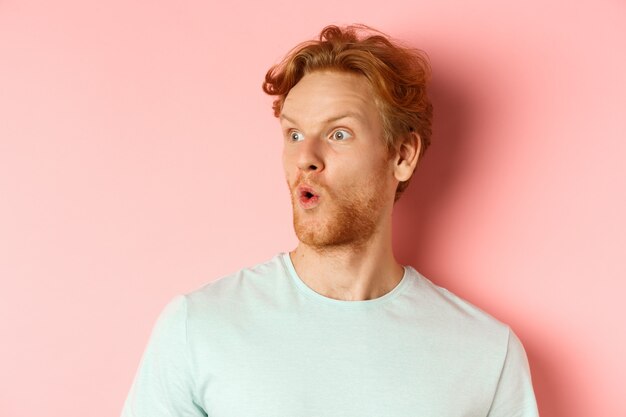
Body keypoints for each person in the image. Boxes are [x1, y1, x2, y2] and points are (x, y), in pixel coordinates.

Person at [121, 24, 539, 417]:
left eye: (338, 134)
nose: (306, 158)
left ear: (402, 156)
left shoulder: (485, 353)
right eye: (294, 134)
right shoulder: (199, 327)